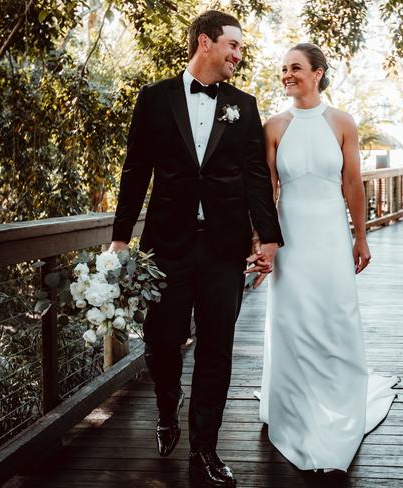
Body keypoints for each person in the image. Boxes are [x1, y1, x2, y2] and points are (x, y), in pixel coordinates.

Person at [109, 10, 283, 487]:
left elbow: (255, 178)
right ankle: (168, 404)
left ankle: (204, 451)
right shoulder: (155, 98)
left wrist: (267, 237)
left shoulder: (244, 106)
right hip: (166, 246)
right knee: (162, 340)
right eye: (233, 46)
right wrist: (121, 237)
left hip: (224, 248)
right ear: (205, 42)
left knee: (217, 348)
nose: (238, 55)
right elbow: (135, 169)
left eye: (241, 49)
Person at [257, 43, 399, 472]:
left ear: (318, 73)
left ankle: (337, 404)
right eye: (283, 69)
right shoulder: (273, 126)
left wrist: (362, 237)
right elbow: (267, 191)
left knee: (335, 315)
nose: (287, 75)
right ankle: (294, 407)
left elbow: (353, 183)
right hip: (290, 240)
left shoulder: (342, 122)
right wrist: (261, 241)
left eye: (295, 68)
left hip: (332, 236)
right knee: (292, 319)